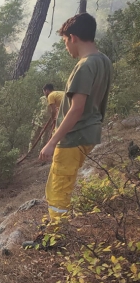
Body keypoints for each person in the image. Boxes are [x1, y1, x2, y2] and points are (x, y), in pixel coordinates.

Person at [39, 13, 111, 223]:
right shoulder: (104, 61)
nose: (66, 47)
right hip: (89, 132)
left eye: (64, 42)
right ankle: (55, 230)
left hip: (73, 136)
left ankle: (56, 236)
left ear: (73, 37)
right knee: (62, 183)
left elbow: (76, 109)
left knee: (58, 187)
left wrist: (52, 142)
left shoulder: (85, 65)